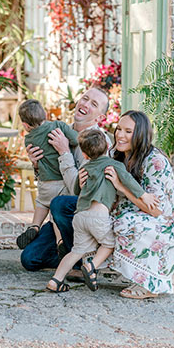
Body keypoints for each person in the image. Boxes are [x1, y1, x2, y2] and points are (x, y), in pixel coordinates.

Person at [45, 129, 158, 293]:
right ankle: (91, 266)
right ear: (107, 146)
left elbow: (76, 190)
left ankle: (55, 281)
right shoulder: (114, 165)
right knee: (109, 243)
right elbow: (128, 181)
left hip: (80, 216)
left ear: (84, 154)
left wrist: (82, 184)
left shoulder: (85, 168)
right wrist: (144, 195)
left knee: (77, 251)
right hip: (98, 215)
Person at [20, 87, 110, 271]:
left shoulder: (100, 144)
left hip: (81, 214)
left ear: (100, 117)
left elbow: (78, 190)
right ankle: (69, 256)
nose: (85, 104)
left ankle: (84, 258)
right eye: (84, 98)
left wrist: (64, 152)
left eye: (93, 104)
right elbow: (50, 179)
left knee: (59, 204)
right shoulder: (61, 130)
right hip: (59, 218)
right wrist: (37, 165)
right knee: (29, 259)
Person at [104, 110, 174, 299]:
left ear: (140, 134)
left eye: (128, 131)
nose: (120, 135)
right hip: (131, 210)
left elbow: (156, 210)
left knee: (126, 223)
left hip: (165, 223)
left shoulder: (155, 161)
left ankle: (149, 284)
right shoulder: (115, 154)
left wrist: (122, 187)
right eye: (118, 129)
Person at [15, 99, 79, 250]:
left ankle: (34, 227)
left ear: (25, 125)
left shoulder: (28, 139)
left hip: (44, 182)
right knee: (55, 214)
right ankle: (60, 242)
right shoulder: (58, 126)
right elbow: (76, 139)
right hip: (62, 181)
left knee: (42, 203)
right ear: (45, 114)